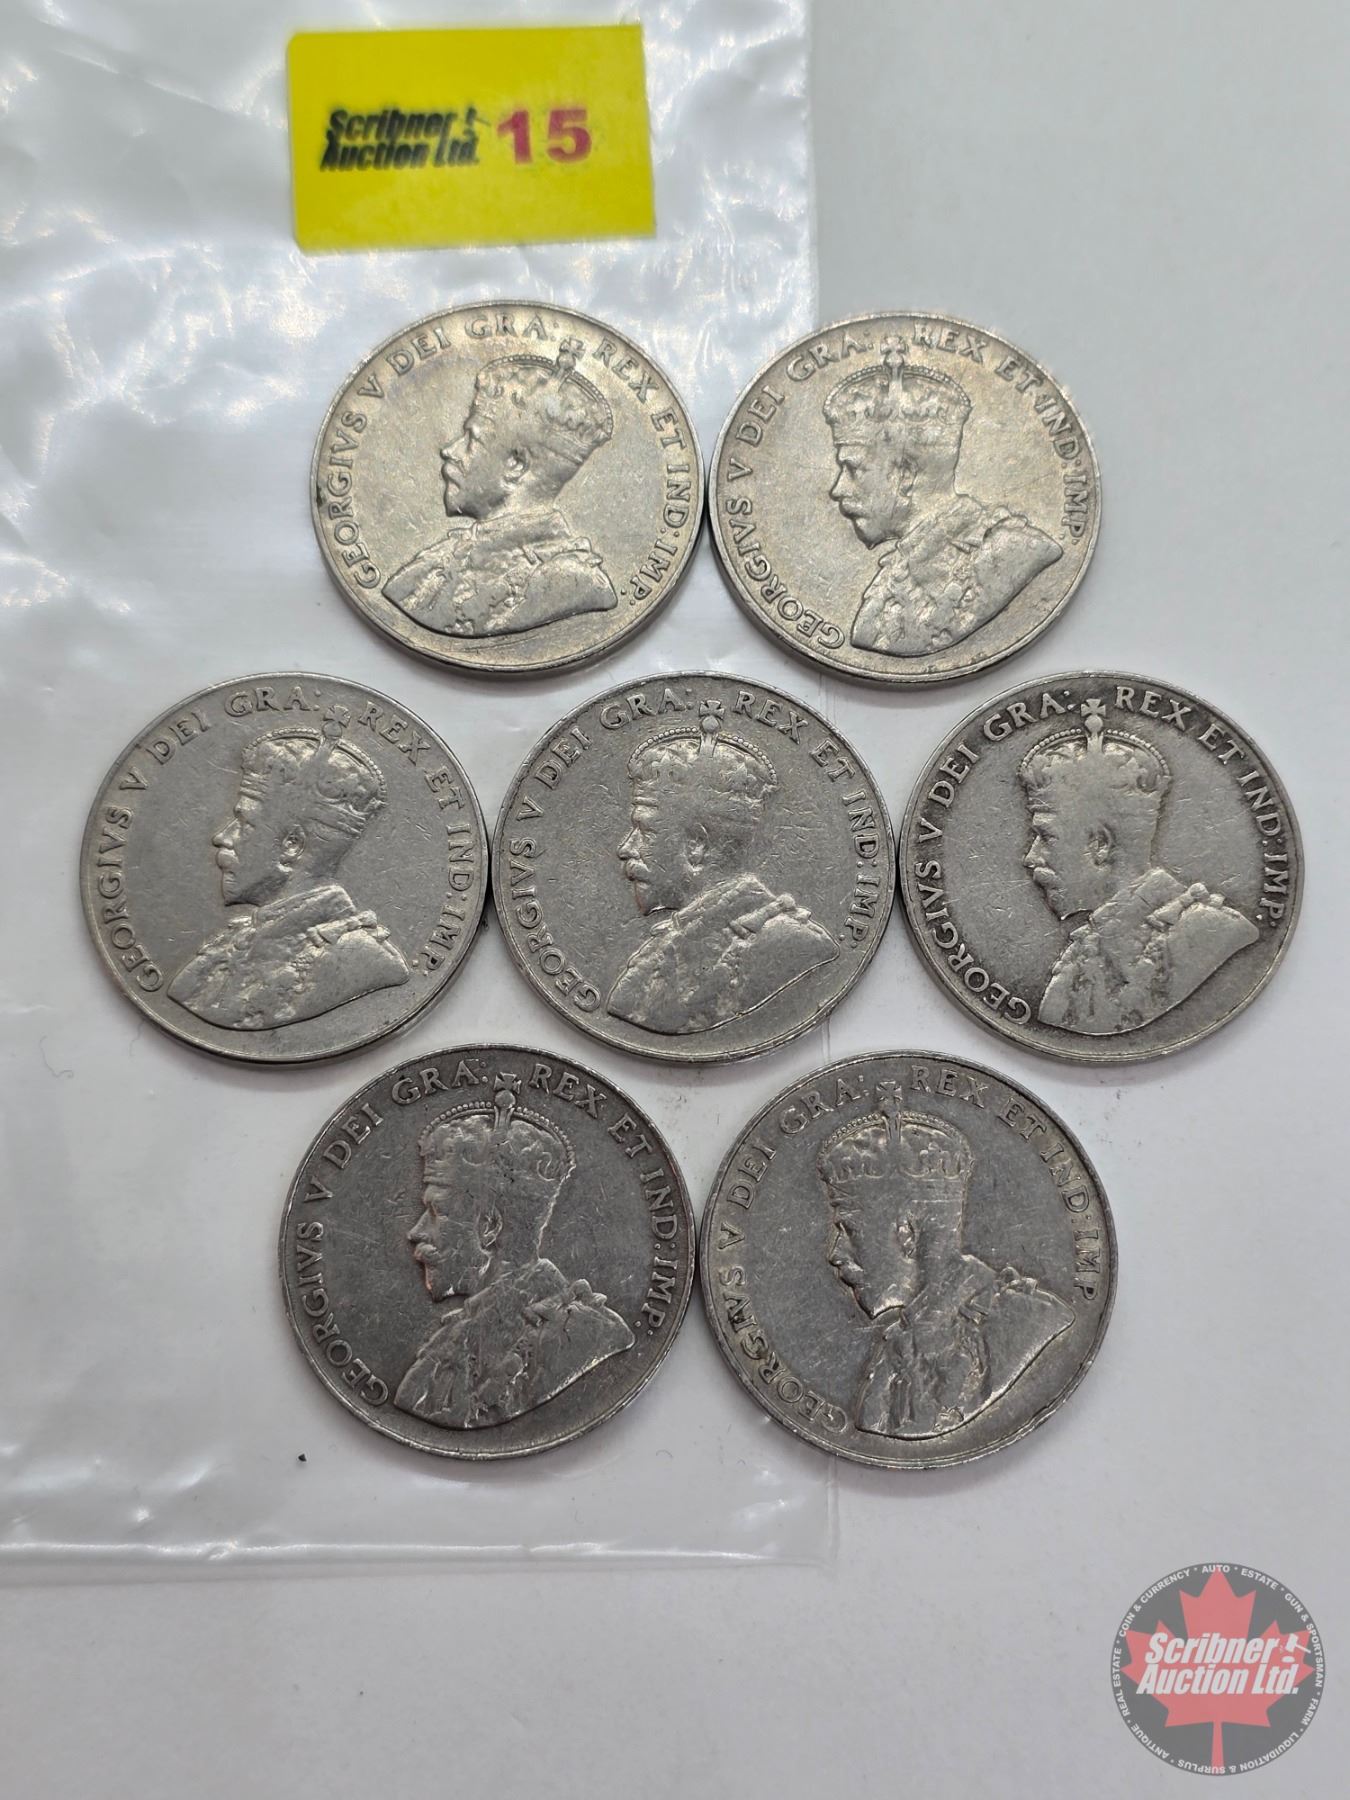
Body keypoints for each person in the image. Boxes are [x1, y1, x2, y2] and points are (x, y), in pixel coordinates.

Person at [817, 1093, 1074, 1439]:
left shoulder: (1028, 1321)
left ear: (907, 1233)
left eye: (848, 1229)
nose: (836, 1252)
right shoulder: (898, 1342)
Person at [395, 1077, 634, 1429]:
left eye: (436, 1212)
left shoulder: (583, 1334)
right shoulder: (461, 1331)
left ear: (489, 1227)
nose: (416, 1232)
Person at [1020, 699, 1259, 1034]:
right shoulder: (1087, 949)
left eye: (1046, 837)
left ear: (1099, 845)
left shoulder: (1211, 933)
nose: (1031, 857)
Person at [168, 714, 409, 1030]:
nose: (222, 837)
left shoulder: (360, 957)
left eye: (244, 823)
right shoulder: (241, 937)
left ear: (292, 845)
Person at [824, 338, 1062, 657]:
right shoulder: (899, 567)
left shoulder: (1012, 550)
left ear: (905, 476)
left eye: (853, 469)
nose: (838, 489)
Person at [606, 710, 838, 1034]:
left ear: (697, 846)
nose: (626, 848)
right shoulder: (677, 936)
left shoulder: (789, 944)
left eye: (645, 831)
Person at [383, 337, 618, 638]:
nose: (450, 450)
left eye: (471, 439)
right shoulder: (444, 555)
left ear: (515, 465)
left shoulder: (573, 583)